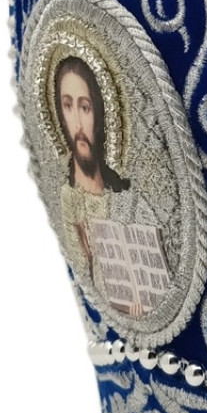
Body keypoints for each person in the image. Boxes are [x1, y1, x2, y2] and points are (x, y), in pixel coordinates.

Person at [55, 55, 163, 316]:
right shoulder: (67, 202)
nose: (77, 124)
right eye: (67, 106)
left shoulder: (130, 203)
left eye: (85, 107)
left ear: (100, 114)